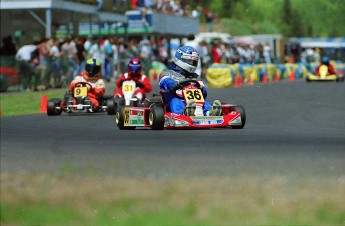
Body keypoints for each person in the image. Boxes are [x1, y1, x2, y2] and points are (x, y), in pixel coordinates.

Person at [158, 45, 221, 116]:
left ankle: (209, 113)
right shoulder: (167, 73)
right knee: (175, 102)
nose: (192, 64)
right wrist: (177, 84)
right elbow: (167, 84)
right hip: (172, 102)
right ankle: (184, 113)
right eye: (190, 61)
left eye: (194, 62)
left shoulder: (195, 77)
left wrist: (200, 88)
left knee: (205, 103)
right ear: (180, 59)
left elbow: (204, 94)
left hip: (194, 103)